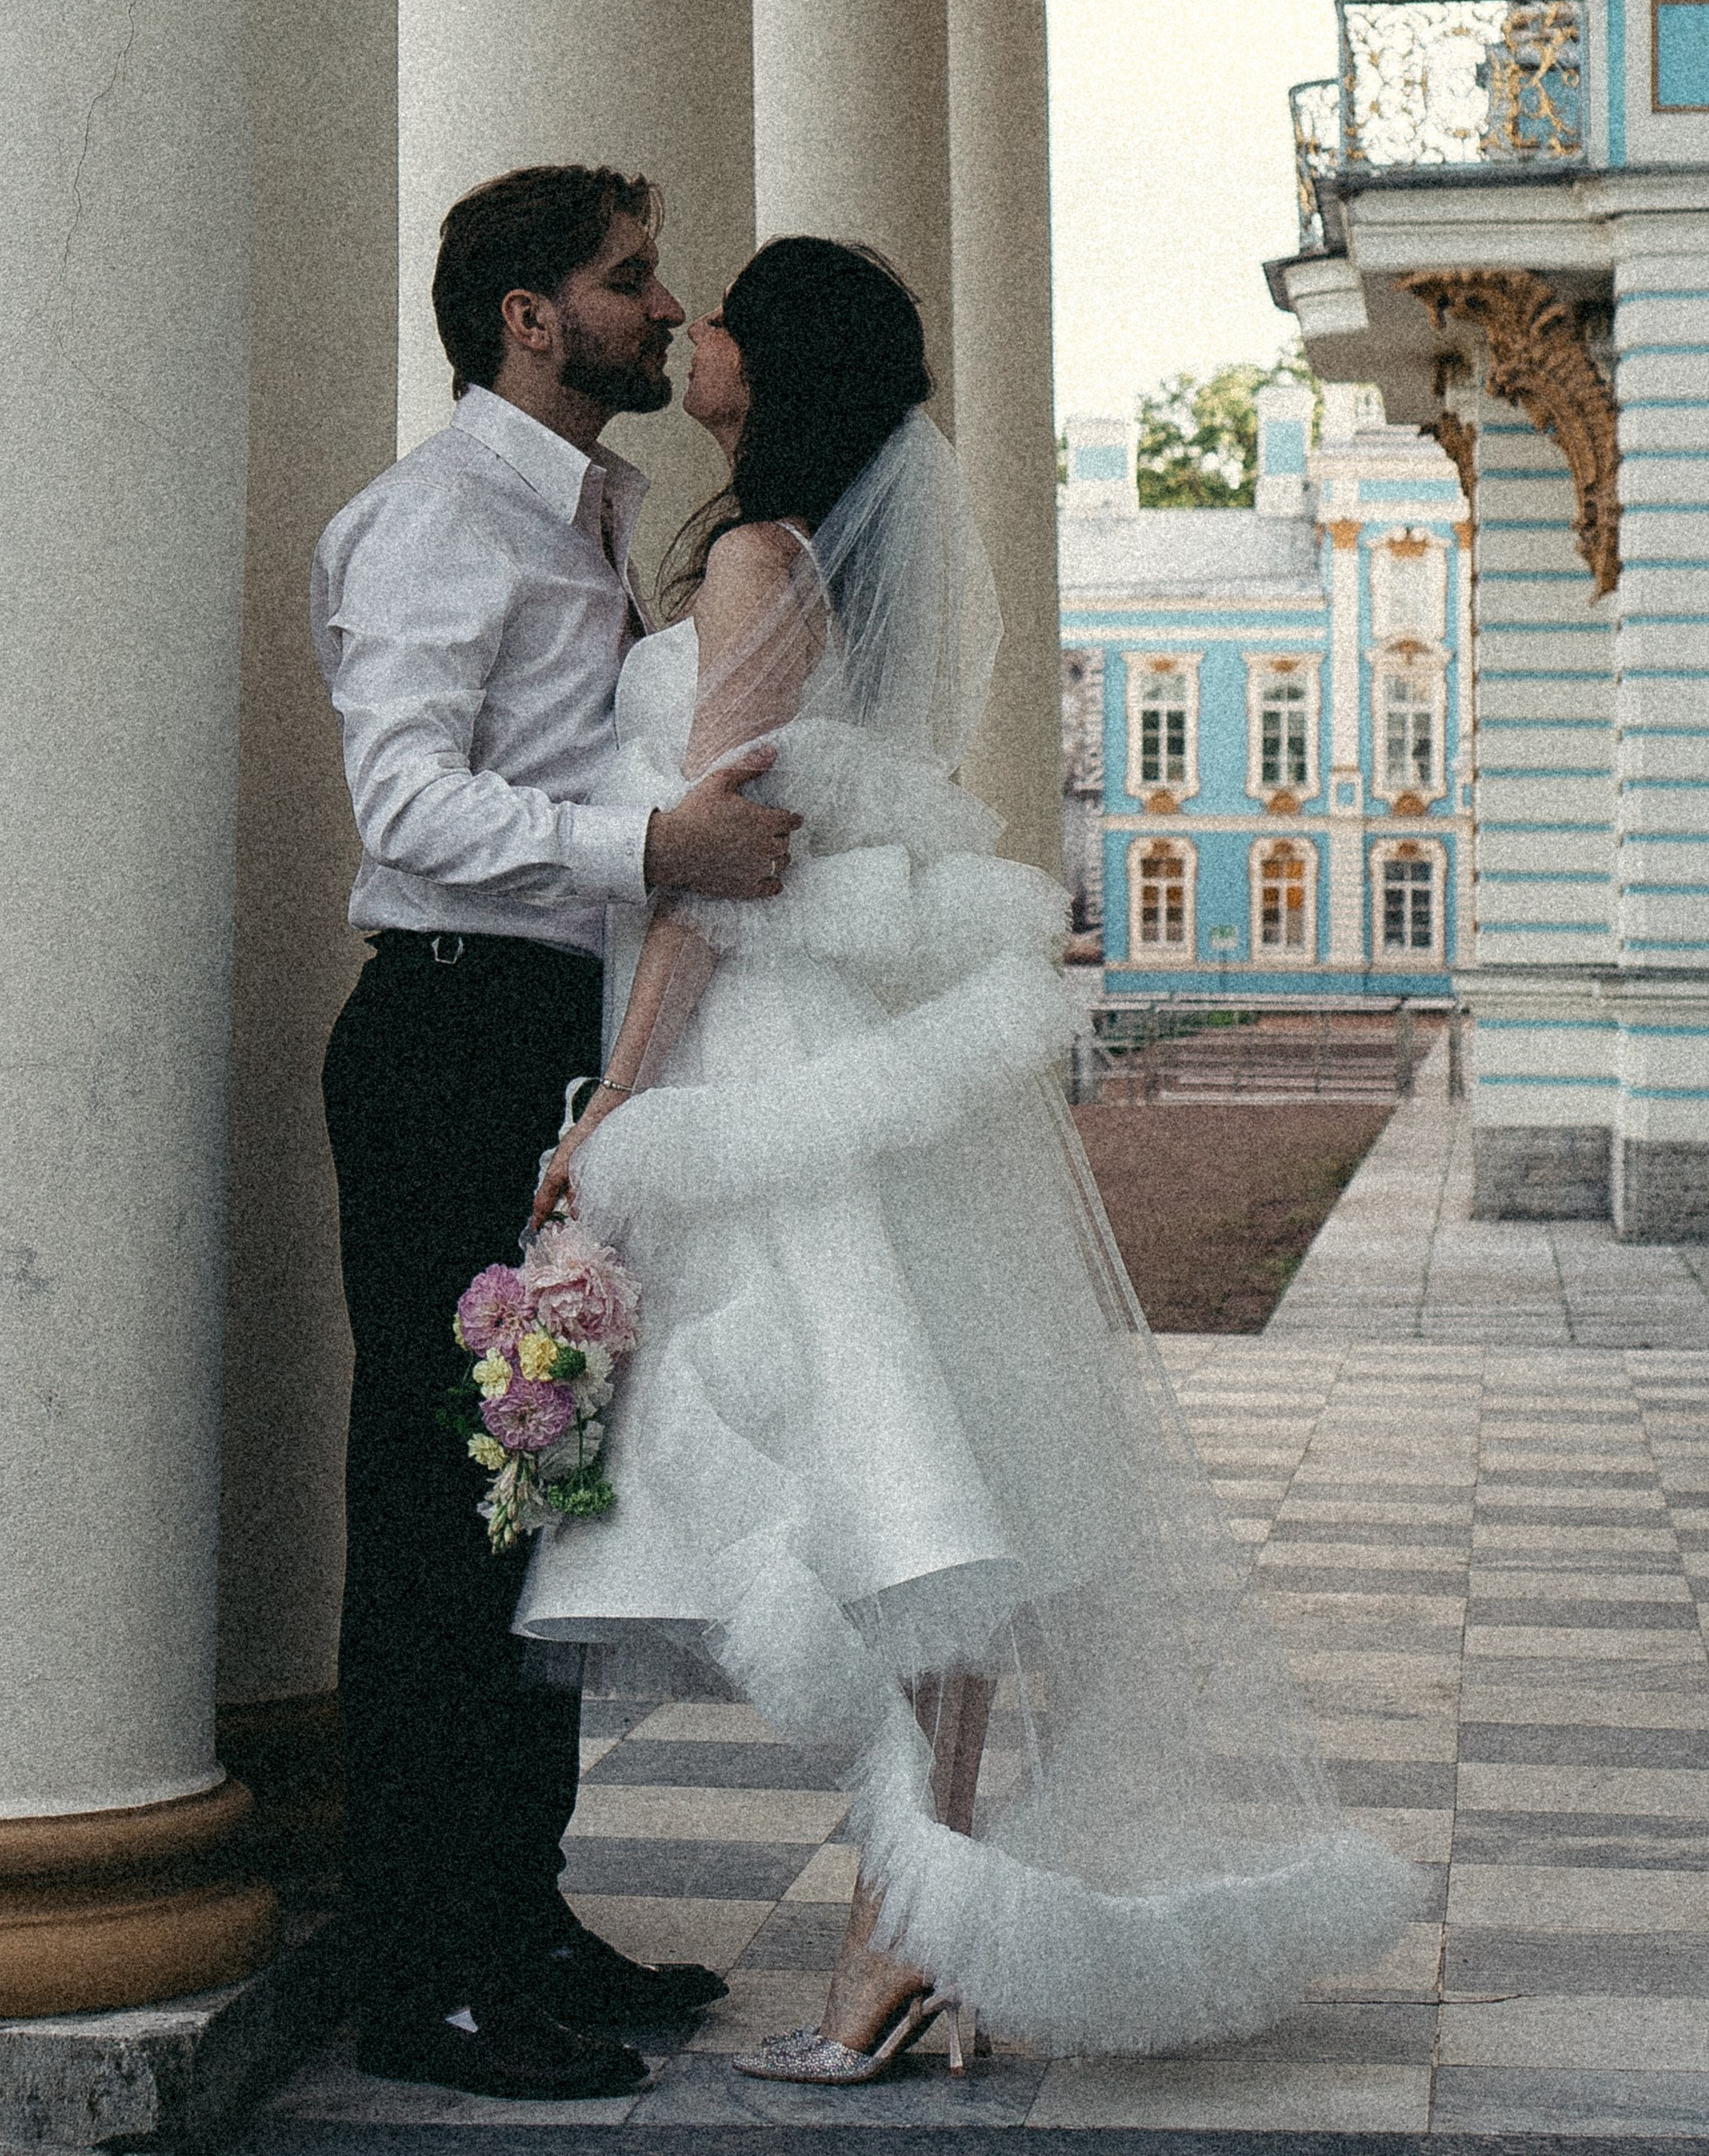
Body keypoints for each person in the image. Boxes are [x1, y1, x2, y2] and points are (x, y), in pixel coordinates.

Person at [516, 236, 1419, 2077]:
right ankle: (906, 1932)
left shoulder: (762, 558)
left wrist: (618, 1112)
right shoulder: (786, 553)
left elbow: (712, 865)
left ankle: (897, 1936)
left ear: (774, 370)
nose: (690, 333)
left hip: (765, 1056)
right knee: (912, 1499)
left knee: (895, 1496)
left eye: (723, 320)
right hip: (830, 1053)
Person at [312, 166, 804, 2102]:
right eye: (624, 281)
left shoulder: (585, 504)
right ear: (527, 316)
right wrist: (649, 848)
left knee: (531, 1498)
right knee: (439, 1517)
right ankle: (419, 1974)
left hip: (544, 1034)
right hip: (446, 1028)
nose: (660, 307)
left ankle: (512, 1915)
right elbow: (404, 804)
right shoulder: (438, 520)